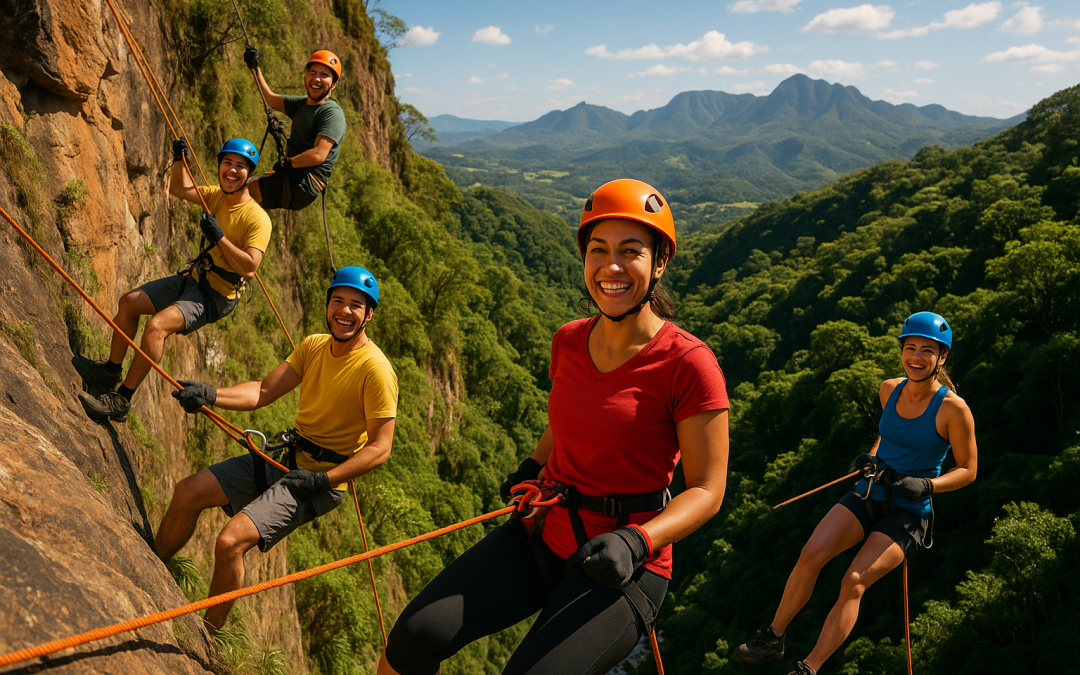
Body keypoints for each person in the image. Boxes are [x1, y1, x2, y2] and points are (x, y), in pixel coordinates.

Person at [378, 179, 730, 675]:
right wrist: (532, 464)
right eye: (598, 250)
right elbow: (566, 419)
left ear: (659, 262)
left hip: (624, 563)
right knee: (413, 639)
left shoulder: (688, 364)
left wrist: (637, 541)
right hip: (544, 530)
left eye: (631, 251)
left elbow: (709, 490)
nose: (611, 266)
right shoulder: (568, 340)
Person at [152, 266, 398, 631]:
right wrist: (211, 395)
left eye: (356, 306)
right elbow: (264, 391)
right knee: (188, 492)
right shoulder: (315, 346)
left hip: (317, 480)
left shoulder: (375, 370)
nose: (345, 311)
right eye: (338, 301)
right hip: (288, 458)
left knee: (230, 542)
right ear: (328, 305)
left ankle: (207, 637)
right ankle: (151, 566)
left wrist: (324, 481)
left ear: (369, 314)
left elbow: (380, 448)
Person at [734, 312, 978, 675]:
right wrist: (873, 456)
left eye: (927, 350)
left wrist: (927, 485)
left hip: (909, 512)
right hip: (872, 489)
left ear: (942, 357)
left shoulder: (952, 409)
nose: (916, 356)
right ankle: (773, 637)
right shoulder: (888, 389)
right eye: (910, 347)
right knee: (810, 554)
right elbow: (888, 435)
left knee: (853, 581)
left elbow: (968, 470)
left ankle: (809, 667)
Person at [74, 138, 271, 423]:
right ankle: (109, 373)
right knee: (129, 303)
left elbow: (250, 267)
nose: (231, 170)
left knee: (156, 327)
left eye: (240, 166)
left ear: (249, 173)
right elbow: (179, 188)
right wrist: (180, 159)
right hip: (195, 279)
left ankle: (121, 401)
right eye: (227, 163)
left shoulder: (257, 218)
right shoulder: (215, 195)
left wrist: (220, 238)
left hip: (216, 295)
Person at [242, 46, 347, 211]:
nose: (316, 79)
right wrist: (255, 68)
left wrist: (288, 163)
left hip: (305, 183)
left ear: (333, 84)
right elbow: (270, 98)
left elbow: (318, 155)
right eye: (312, 73)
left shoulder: (332, 113)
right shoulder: (302, 104)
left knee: (241, 191)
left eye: (324, 75)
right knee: (245, 186)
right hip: (294, 176)